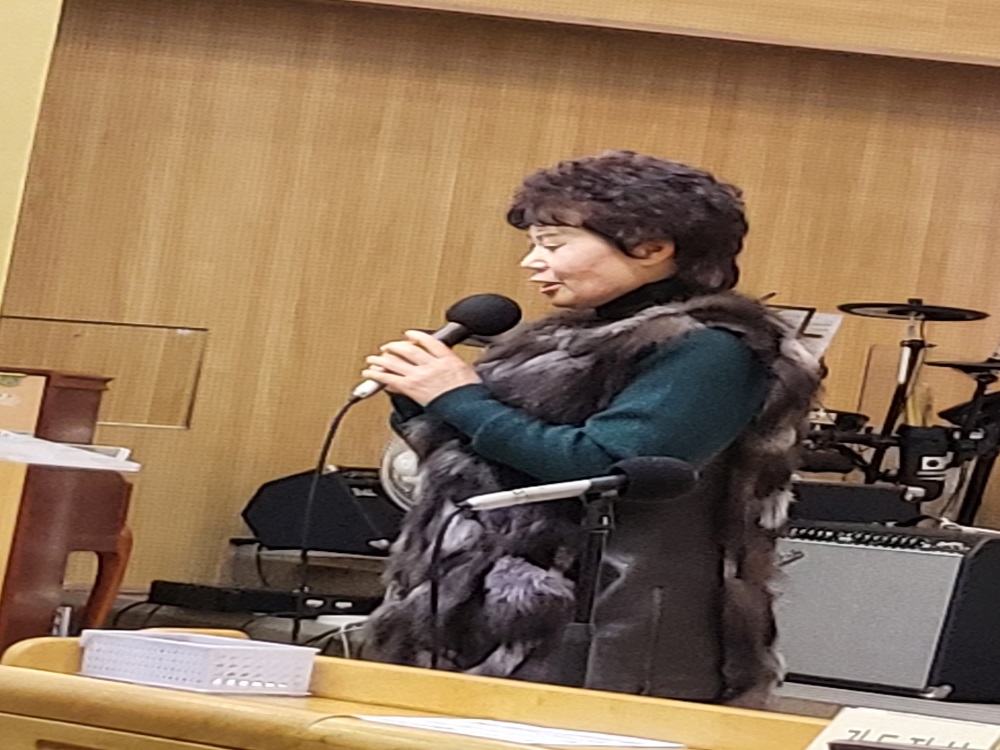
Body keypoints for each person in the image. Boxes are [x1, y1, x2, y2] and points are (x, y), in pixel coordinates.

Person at [357, 150, 821, 708]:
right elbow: (488, 467)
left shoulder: (714, 348)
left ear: (651, 247)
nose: (532, 262)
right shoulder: (555, 341)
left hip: (606, 619)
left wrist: (458, 397)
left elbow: (602, 465)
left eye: (553, 244)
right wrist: (422, 402)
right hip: (476, 607)